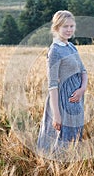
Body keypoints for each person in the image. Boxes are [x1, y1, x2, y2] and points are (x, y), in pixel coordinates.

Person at [37, 10, 88, 154]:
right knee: (59, 141)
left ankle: (71, 169)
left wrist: (82, 89)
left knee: (74, 139)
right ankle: (54, 170)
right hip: (62, 101)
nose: (69, 30)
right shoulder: (55, 51)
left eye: (72, 26)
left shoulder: (72, 47)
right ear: (56, 28)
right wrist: (56, 115)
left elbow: (83, 71)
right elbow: (52, 85)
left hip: (77, 100)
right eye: (65, 26)